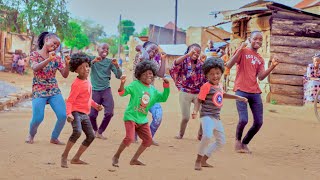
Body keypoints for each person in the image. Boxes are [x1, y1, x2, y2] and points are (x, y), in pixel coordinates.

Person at [226, 31, 279, 153]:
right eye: (255, 39)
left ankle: (245, 143)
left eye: (260, 39)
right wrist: (240, 49)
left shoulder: (260, 59)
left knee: (259, 122)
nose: (258, 41)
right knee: (243, 119)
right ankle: (237, 141)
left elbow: (260, 77)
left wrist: (272, 66)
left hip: (255, 92)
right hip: (241, 90)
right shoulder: (243, 51)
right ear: (249, 39)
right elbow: (229, 64)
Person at [192, 57, 247, 170]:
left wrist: (239, 97)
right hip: (206, 115)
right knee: (207, 135)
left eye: (217, 73)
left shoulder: (220, 86)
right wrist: (195, 111)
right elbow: (199, 100)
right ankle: (198, 160)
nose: (215, 76)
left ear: (221, 73)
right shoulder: (206, 86)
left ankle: (204, 159)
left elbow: (223, 95)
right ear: (206, 75)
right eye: (211, 74)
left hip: (216, 118)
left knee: (221, 141)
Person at [112, 60, 170, 167]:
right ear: (139, 75)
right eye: (145, 73)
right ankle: (116, 156)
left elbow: (164, 98)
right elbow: (121, 93)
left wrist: (166, 86)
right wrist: (122, 84)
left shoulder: (153, 90)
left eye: (150, 73)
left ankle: (134, 159)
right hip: (131, 117)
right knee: (129, 138)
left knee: (148, 141)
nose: (148, 75)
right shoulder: (135, 85)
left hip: (142, 120)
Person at [25, 32, 70, 145]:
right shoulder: (34, 54)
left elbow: (65, 74)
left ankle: (54, 137)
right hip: (39, 89)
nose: (55, 46)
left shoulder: (57, 58)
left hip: (53, 89)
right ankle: (31, 134)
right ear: (47, 40)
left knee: (62, 115)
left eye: (57, 45)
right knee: (38, 118)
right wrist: (49, 59)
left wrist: (67, 64)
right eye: (54, 43)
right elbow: (35, 68)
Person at [61, 53, 103, 168]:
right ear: (76, 70)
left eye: (86, 66)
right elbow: (69, 101)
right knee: (77, 132)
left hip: (85, 114)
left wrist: (96, 106)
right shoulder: (77, 84)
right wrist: (69, 114)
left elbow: (88, 98)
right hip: (75, 113)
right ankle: (64, 156)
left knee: (91, 136)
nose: (85, 69)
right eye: (81, 68)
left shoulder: (87, 80)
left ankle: (76, 158)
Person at [132, 41, 167, 146]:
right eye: (151, 49)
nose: (154, 52)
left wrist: (163, 59)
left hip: (151, 94)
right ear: (145, 48)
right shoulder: (139, 57)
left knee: (158, 116)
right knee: (138, 116)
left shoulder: (153, 63)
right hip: (139, 94)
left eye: (156, 51)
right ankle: (133, 136)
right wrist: (144, 50)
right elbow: (138, 47)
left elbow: (161, 74)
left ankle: (148, 138)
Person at [169, 43, 207, 140]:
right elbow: (174, 65)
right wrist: (187, 55)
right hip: (185, 92)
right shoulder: (184, 61)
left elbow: (207, 77)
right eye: (193, 51)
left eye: (198, 52)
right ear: (189, 50)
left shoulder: (201, 64)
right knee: (185, 117)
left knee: (204, 114)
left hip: (198, 93)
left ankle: (200, 134)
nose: (196, 53)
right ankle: (181, 134)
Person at [89, 43, 122, 140]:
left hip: (106, 90)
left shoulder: (110, 62)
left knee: (109, 113)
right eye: (103, 48)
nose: (106, 50)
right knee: (91, 114)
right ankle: (95, 131)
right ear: (97, 49)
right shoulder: (92, 59)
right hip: (94, 91)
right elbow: (85, 66)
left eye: (107, 49)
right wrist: (93, 61)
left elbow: (118, 76)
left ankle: (100, 131)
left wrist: (116, 66)